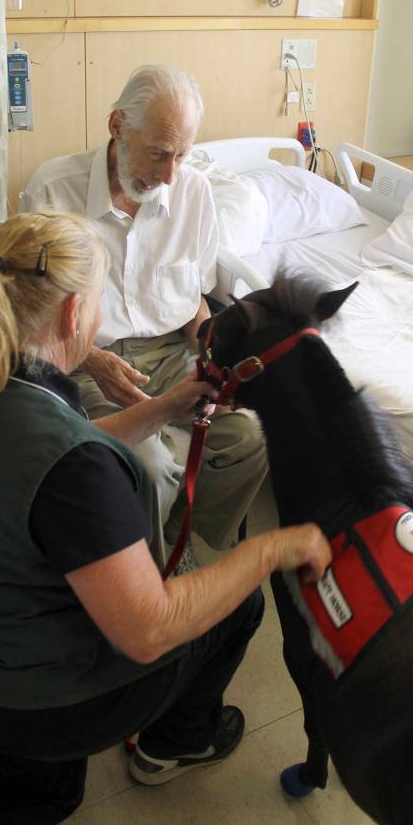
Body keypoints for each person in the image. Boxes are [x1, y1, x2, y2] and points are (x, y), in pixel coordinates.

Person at [0, 210, 331, 825]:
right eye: (104, 294)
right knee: (237, 604)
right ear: (76, 312)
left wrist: (164, 408)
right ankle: (177, 742)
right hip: (29, 699)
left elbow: (52, 457)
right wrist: (270, 548)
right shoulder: (74, 469)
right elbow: (150, 630)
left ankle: (35, 776)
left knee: (46, 791)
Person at [21, 65, 268, 563]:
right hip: (86, 359)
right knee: (147, 467)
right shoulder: (55, 191)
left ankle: (174, 544)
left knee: (249, 437)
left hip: (172, 351)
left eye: (183, 154)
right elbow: (33, 317)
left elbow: (194, 301)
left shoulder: (193, 192)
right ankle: (143, 581)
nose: (169, 174)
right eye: (158, 152)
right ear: (117, 126)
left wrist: (217, 361)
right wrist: (93, 361)